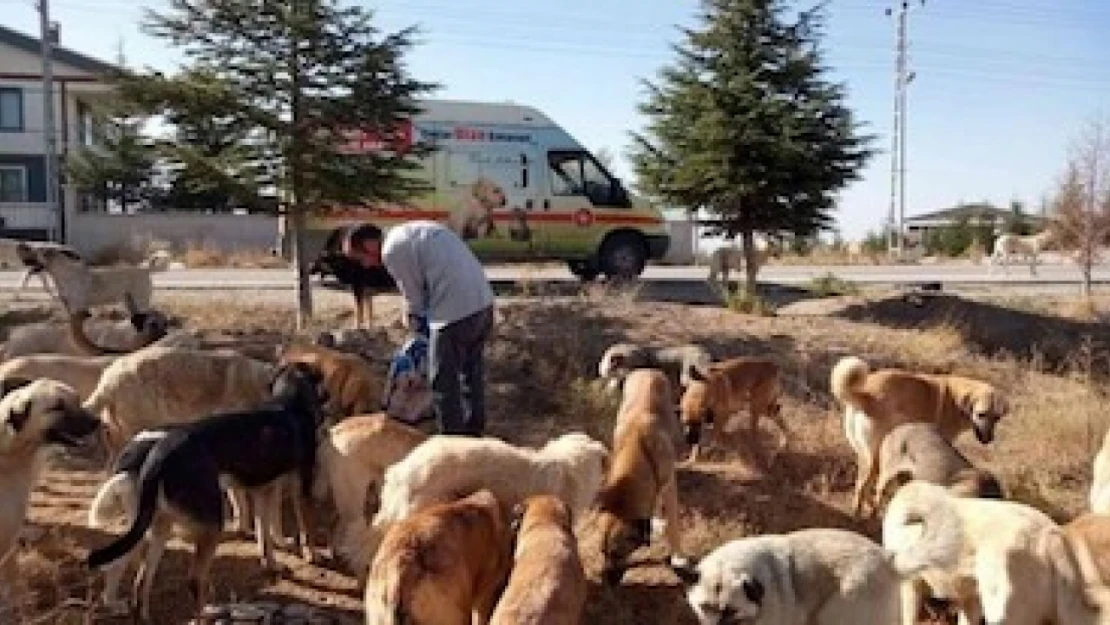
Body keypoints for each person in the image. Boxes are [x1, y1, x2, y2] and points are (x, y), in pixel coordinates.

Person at [343, 220, 495, 436]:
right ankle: (474, 433)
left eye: (360, 258)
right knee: (470, 375)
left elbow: (414, 298)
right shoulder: (413, 231)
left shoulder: (392, 250)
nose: (366, 266)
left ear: (369, 245)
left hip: (455, 312)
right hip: (482, 304)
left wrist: (414, 328)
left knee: (442, 381)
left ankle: (451, 443)